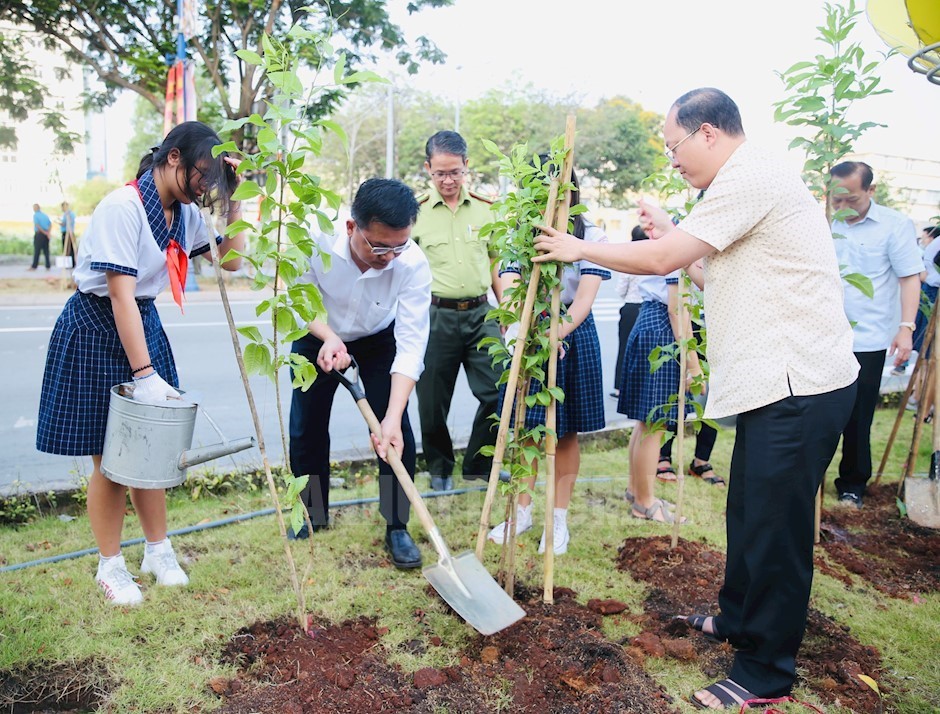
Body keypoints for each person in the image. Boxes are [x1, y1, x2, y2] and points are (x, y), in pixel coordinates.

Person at [533, 87, 858, 709]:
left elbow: (662, 260)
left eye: (673, 146)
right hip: (778, 384)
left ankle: (766, 672)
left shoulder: (751, 175)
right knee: (748, 511)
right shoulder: (741, 183)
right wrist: (674, 239)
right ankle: (739, 621)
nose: (672, 160)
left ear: (708, 132)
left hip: (800, 383)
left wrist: (580, 247)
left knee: (775, 529)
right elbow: (709, 271)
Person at [35, 121, 245, 606]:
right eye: (203, 174)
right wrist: (145, 376)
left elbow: (230, 262)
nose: (205, 186)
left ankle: (158, 550)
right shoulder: (122, 207)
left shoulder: (185, 213)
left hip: (141, 324)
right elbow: (119, 294)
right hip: (96, 326)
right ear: (173, 157)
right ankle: (111, 566)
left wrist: (234, 199)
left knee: (154, 451)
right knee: (110, 460)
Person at [288, 178, 431, 570]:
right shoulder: (316, 237)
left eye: (398, 246)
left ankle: (396, 525)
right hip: (316, 333)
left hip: (377, 338)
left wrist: (392, 416)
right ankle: (311, 513)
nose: (389, 257)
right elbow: (298, 299)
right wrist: (329, 336)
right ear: (352, 228)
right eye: (379, 246)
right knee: (307, 429)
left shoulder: (412, 263)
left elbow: (412, 341)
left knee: (396, 432)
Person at [487, 162, 609, 554]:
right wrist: (530, 330)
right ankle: (520, 512)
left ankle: (558, 520)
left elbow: (585, 300)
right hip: (530, 329)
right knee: (525, 427)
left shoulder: (591, 234)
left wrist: (556, 330)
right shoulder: (519, 233)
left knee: (564, 430)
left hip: (572, 331)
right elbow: (509, 286)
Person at [411, 131, 503, 491]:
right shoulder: (415, 213)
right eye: (440, 174)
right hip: (435, 317)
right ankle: (440, 468)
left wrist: (506, 311)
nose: (448, 181)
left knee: (499, 392)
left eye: (455, 172)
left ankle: (479, 466)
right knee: (432, 401)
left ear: (467, 166)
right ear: (427, 170)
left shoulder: (485, 209)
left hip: (482, 315)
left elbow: (496, 262)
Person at [829, 161, 921, 509]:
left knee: (857, 415)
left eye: (851, 199)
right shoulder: (826, 222)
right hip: (825, 335)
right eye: (836, 200)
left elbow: (909, 277)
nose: (842, 208)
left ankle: (852, 483)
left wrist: (906, 328)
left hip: (867, 339)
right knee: (819, 411)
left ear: (870, 191)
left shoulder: (894, 226)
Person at [616, 232, 700, 523]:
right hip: (662, 330)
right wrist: (694, 366)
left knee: (645, 423)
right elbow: (677, 310)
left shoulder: (673, 238)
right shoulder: (681, 243)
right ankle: (645, 502)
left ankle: (637, 490)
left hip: (648, 321)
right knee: (655, 422)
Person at [610, 225, 647, 399]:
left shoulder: (630, 260)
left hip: (630, 308)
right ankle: (641, 388)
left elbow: (620, 290)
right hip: (648, 308)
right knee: (645, 350)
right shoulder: (654, 258)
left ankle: (619, 387)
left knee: (624, 347)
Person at [30, 203, 52, 270]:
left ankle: (34, 266)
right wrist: (48, 232)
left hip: (40, 234)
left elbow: (37, 225)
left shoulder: (36, 215)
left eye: (34, 208)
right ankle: (48, 266)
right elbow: (50, 224)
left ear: (36, 208)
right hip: (45, 235)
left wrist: (45, 232)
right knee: (46, 251)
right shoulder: (45, 215)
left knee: (37, 250)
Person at [60, 201, 77, 268]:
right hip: (69, 232)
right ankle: (70, 264)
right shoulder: (69, 214)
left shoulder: (68, 214)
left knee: (68, 249)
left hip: (68, 233)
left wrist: (59, 223)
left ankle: (70, 264)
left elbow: (65, 223)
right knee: (69, 249)